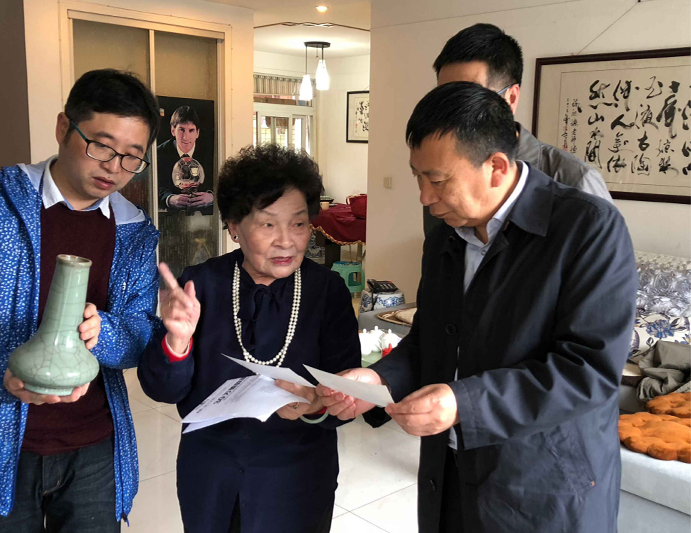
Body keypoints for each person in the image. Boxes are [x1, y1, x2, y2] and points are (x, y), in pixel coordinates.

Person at [319, 82, 637, 533]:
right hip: (448, 475)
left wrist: (462, 403)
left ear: (497, 167)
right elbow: (430, 339)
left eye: (437, 180)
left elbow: (588, 371)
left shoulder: (587, 229)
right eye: (417, 176)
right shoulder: (445, 237)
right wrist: (379, 379)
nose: (424, 197)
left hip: (544, 490)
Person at [0, 69, 162, 532]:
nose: (114, 167)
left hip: (93, 445)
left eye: (131, 157)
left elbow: (140, 331)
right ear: (64, 127)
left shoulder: (134, 231)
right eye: (101, 146)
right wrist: (1, 371)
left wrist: (105, 332)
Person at [138, 144, 361, 533]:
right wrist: (177, 341)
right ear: (234, 226)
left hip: (298, 474)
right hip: (211, 471)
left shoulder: (327, 291)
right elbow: (163, 389)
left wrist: (316, 405)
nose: (286, 241)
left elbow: (346, 391)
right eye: (268, 225)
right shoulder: (200, 284)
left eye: (298, 224)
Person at [422, 23, 612, 234]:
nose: (453, 114)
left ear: (511, 98)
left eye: (471, 99)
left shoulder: (574, 179)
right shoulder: (437, 180)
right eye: (445, 99)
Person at [157, 105, 214, 215]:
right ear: (173, 130)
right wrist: (169, 199)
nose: (185, 137)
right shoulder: (159, 153)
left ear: (197, 133)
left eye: (191, 130)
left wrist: (212, 197)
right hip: (170, 216)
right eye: (181, 130)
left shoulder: (210, 152)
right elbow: (154, 186)